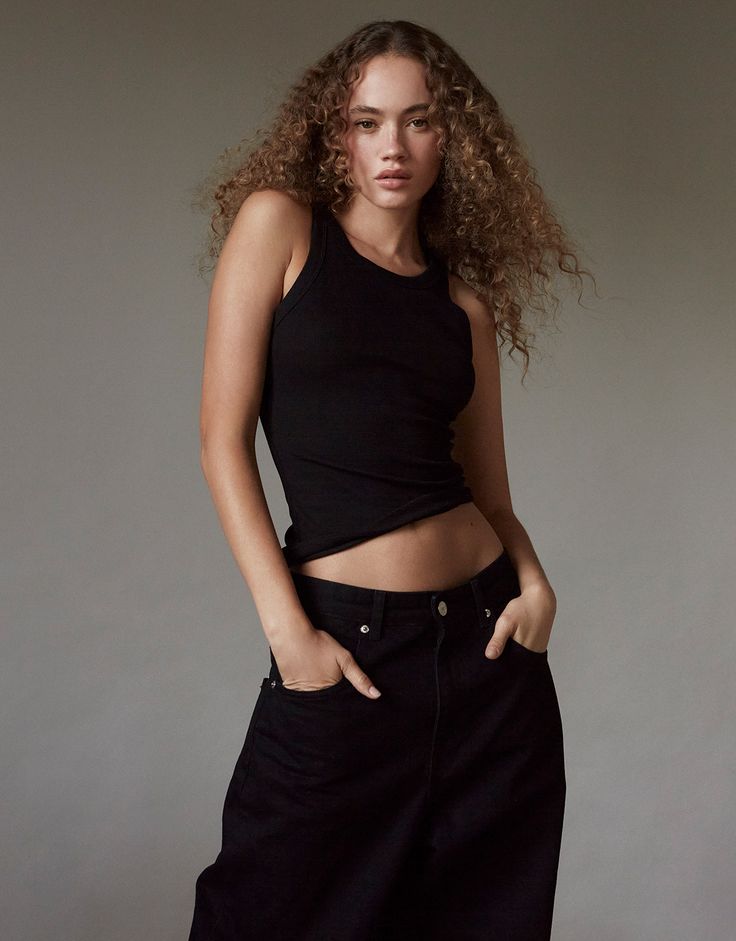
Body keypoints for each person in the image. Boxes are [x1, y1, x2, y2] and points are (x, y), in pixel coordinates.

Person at [188, 18, 592, 941]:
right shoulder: (280, 229)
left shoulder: (464, 306)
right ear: (334, 133)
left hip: (492, 660)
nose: (393, 147)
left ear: (454, 138)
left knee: (483, 919)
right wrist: (291, 633)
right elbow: (220, 441)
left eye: (417, 120)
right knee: (269, 911)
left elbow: (491, 495)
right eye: (367, 122)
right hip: (352, 652)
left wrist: (534, 584)